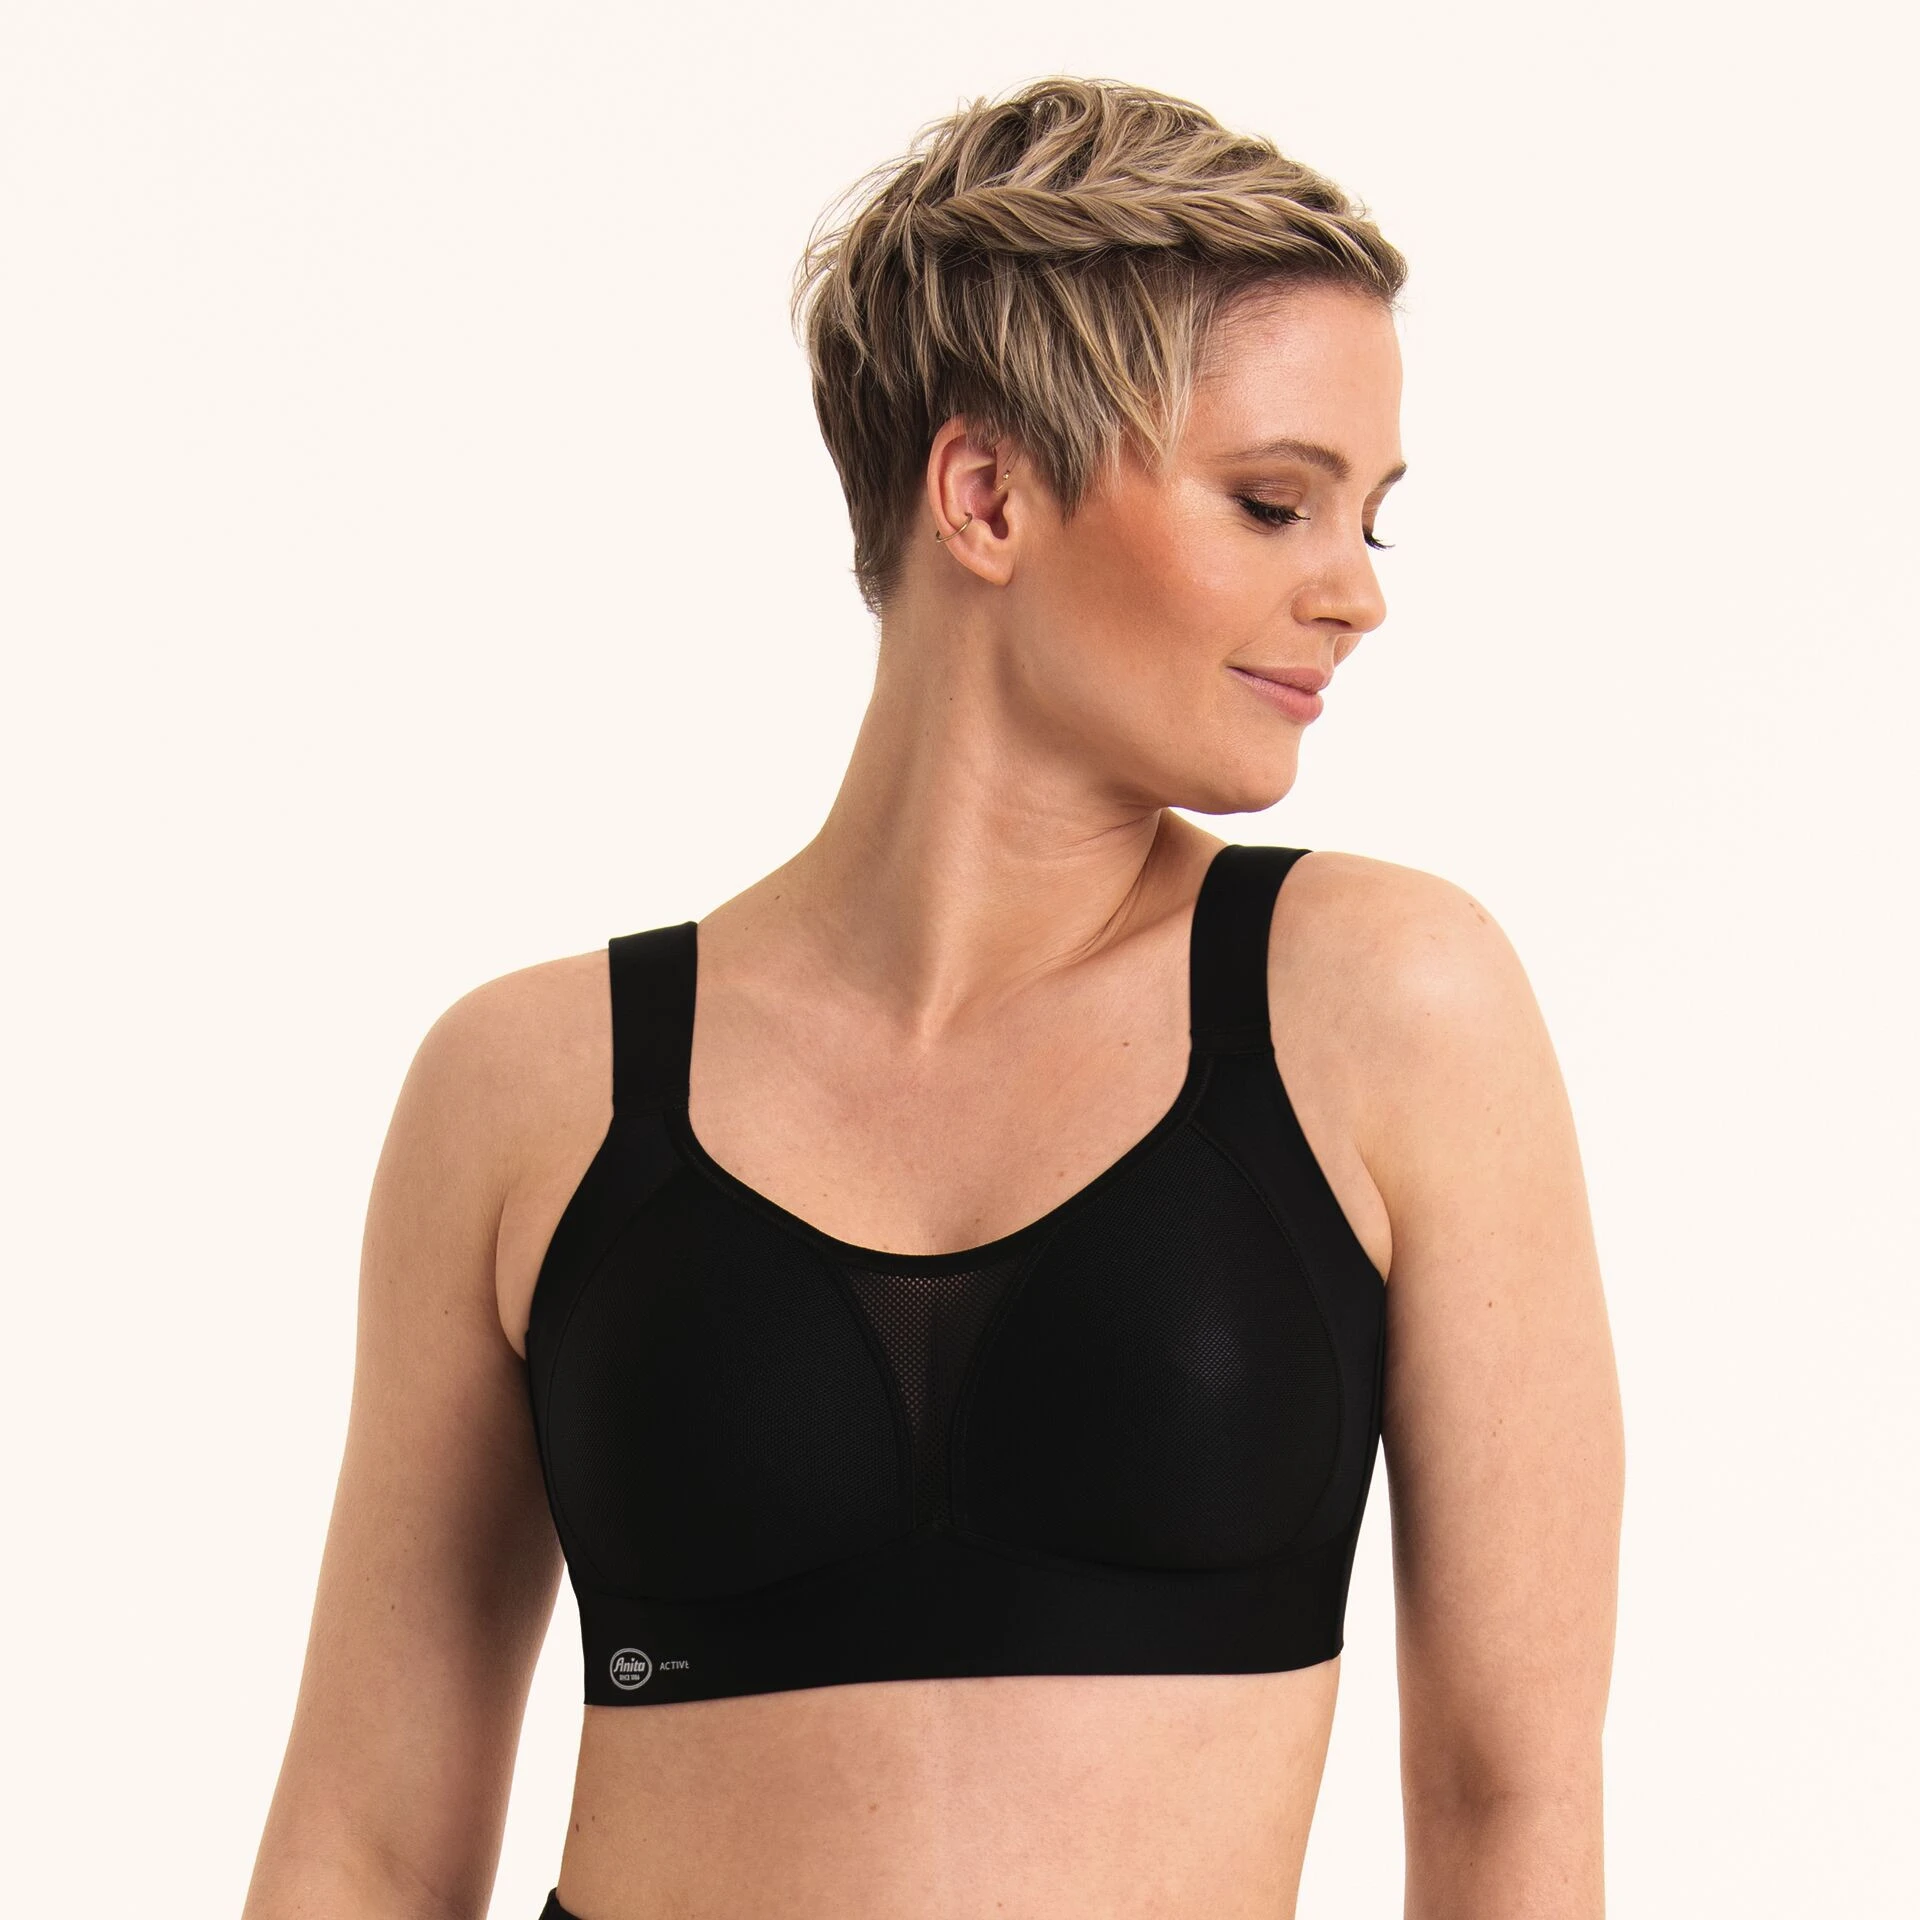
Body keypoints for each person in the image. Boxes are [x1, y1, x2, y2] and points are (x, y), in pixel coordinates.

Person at [243, 74, 1624, 1920]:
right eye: (1274, 503)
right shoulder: (529, 1087)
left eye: (1369, 521)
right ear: (984, 493)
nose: (1353, 595)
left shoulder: (1384, 1008)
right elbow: (363, 1848)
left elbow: (1509, 1803)